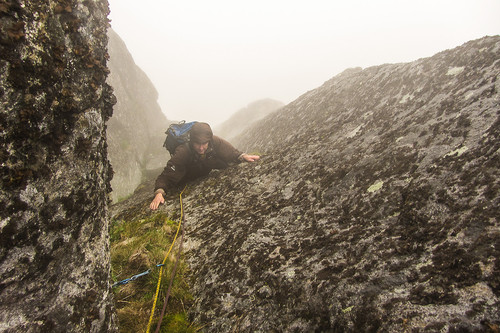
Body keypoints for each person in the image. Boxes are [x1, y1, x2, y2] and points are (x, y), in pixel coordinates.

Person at [150, 122, 260, 210]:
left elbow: (230, 151)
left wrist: (243, 156)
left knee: (224, 162)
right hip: (188, 175)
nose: (201, 148)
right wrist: (159, 192)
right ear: (192, 141)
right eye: (197, 143)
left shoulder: (214, 141)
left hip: (206, 166)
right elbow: (167, 175)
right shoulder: (183, 151)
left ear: (209, 140)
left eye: (204, 144)